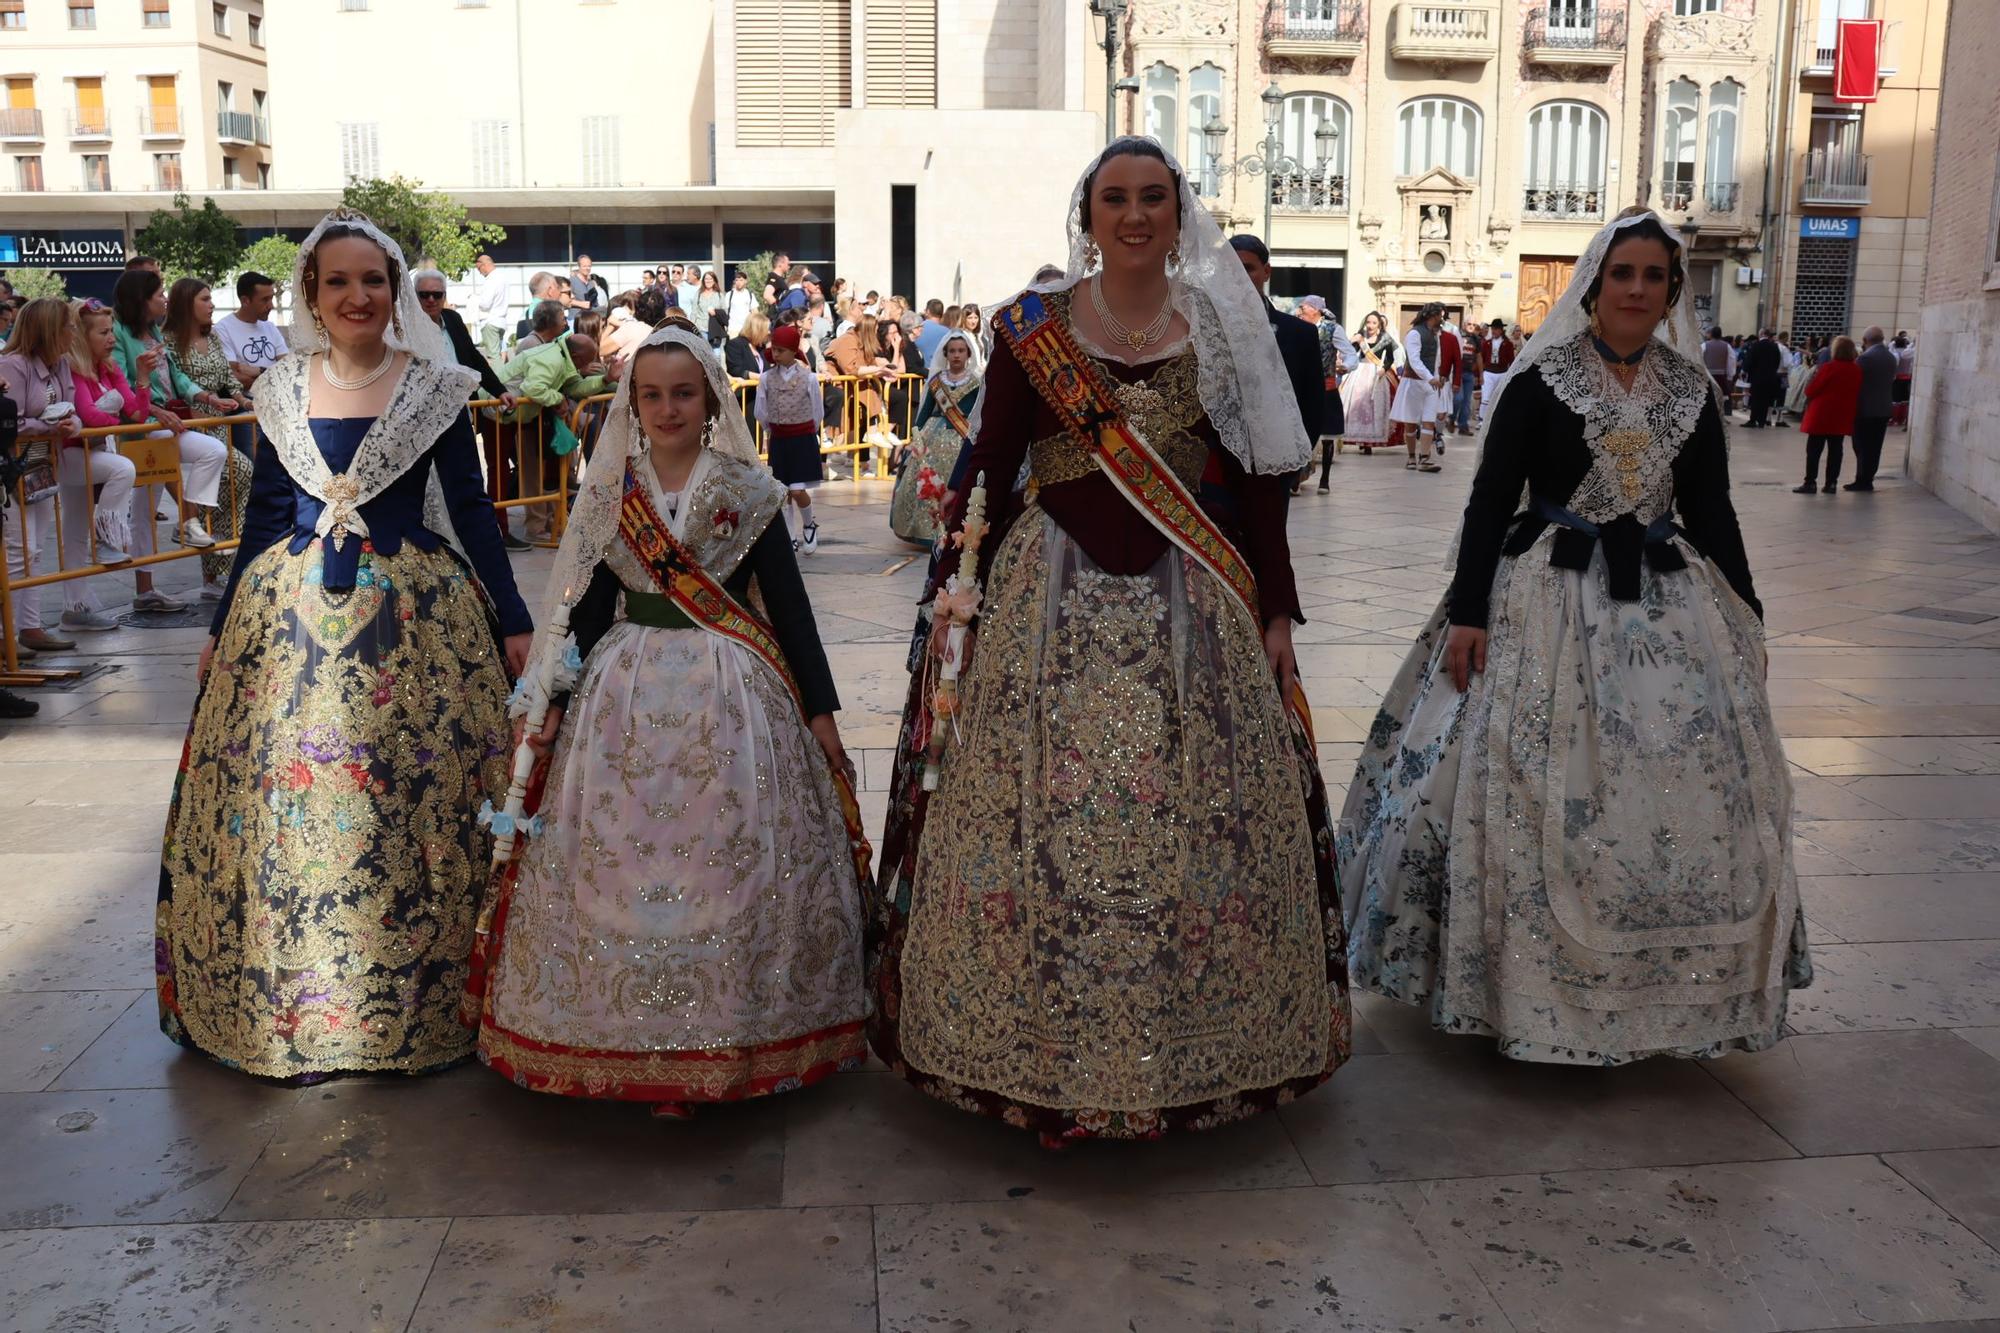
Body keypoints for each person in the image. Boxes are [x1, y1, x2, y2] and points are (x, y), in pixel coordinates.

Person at [868, 137, 1350, 1144]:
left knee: (1190, 814)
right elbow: (991, 465)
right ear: (1086, 214)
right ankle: (1033, 1038)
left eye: (1153, 198)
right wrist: (949, 597)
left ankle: (1187, 1043)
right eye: (1115, 199)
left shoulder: (1218, 323)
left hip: (1193, 596)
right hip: (1046, 592)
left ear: (1179, 211)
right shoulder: (1029, 326)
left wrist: (1274, 609)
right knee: (1040, 810)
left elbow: (1257, 477)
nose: (1134, 215)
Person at [1340, 208, 1807, 1065]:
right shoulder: (1540, 380)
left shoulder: (1691, 390)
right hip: (1544, 598)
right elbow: (1490, 503)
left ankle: (1661, 983)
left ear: (1671, 291)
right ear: (1595, 283)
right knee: (1521, 778)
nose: (1636, 289)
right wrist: (1471, 610)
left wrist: (1747, 615)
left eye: (1654, 277)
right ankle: (1522, 986)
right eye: (1622, 274)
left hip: (1667, 605)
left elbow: (1712, 511)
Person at [157, 208, 534, 1083]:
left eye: (374, 280)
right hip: (283, 625)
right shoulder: (280, 390)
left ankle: (419, 995)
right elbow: (261, 523)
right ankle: (297, 997)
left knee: (411, 806)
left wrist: (513, 619)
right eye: (339, 282)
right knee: (292, 812)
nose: (357, 295)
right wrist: (220, 633)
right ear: (312, 295)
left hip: (415, 627)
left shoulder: (436, 389)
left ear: (394, 291)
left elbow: (471, 510)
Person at [470, 324, 866, 1117]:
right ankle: (624, 1034)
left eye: (684, 392)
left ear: (712, 396)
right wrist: (547, 700)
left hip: (733, 693)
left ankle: (728, 1028)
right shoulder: (610, 488)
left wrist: (819, 710)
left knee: (726, 853)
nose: (667, 407)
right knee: (621, 855)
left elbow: (789, 608)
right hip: (624, 687)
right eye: (650, 394)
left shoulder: (749, 491)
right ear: (630, 401)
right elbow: (579, 611)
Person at [1, 299, 110, 657]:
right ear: (49, 329)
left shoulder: (60, 364)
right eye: (68, 326)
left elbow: (73, 410)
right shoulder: (13, 365)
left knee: (35, 550)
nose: (73, 333)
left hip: (44, 469)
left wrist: (69, 424)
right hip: (13, 471)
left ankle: (29, 627)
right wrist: (47, 427)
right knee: (20, 551)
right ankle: (8, 634)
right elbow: (10, 423)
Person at [110, 268, 231, 555]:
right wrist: (154, 409)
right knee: (143, 511)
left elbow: (173, 373)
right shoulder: (118, 332)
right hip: (141, 427)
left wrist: (207, 397)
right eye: (159, 294)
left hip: (164, 423)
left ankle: (187, 522)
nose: (165, 299)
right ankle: (187, 523)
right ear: (142, 299)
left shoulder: (151, 329)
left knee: (213, 451)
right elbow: (120, 386)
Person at [160, 278, 253, 601]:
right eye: (205, 299)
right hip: (188, 426)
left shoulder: (211, 338)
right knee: (239, 472)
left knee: (229, 492)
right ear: (188, 303)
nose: (211, 304)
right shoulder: (169, 341)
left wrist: (243, 401)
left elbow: (228, 380)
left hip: (218, 425)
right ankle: (211, 561)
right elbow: (174, 384)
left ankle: (219, 571)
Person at [1228, 234, 1325, 495]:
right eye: (1231, 268)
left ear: (1266, 271)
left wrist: (1298, 460)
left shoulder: (1300, 333)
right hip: (1219, 466)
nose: (1239, 276)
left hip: (1275, 466)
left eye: (1247, 268)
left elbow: (1312, 401)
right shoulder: (1205, 328)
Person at [889, 328, 981, 546]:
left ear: (968, 353)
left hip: (963, 439)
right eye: (952, 351)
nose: (956, 355)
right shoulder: (936, 382)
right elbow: (924, 413)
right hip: (933, 437)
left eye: (960, 350)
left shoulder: (978, 383)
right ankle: (927, 531)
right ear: (946, 354)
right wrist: (915, 438)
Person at [747, 321, 825, 553]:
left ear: (793, 351)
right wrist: (772, 428)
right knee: (783, 493)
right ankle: (790, 534)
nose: (776, 354)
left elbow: (817, 411)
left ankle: (809, 524)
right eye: (775, 350)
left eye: (781, 350)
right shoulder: (766, 379)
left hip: (802, 439)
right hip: (780, 439)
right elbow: (760, 411)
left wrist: (808, 430)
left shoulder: (809, 378)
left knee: (797, 490)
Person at [414, 269, 510, 402]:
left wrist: (500, 391)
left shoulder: (453, 318)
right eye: (424, 294)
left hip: (466, 403)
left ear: (444, 296)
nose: (431, 299)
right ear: (415, 296)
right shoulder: (408, 328)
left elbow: (474, 358)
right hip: (431, 409)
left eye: (437, 294)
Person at [1294, 295, 1351, 493]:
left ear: (1315, 309)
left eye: (1304, 307)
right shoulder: (1297, 327)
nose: (1300, 310)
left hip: (1326, 387)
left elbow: (1350, 353)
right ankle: (1297, 478)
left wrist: (1346, 366)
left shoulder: (1333, 329)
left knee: (1327, 435)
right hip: (1302, 386)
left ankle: (1325, 479)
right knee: (1300, 433)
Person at [1796, 334, 1861, 494]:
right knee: (1836, 450)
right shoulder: (1857, 370)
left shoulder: (1828, 368)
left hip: (1822, 414)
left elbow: (1811, 390)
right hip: (1842, 414)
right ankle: (1831, 483)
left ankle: (1810, 482)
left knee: (1814, 450)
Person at [1391, 304, 1444, 472]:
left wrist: (1437, 377)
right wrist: (1430, 378)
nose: (1442, 319)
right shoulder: (1414, 334)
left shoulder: (1435, 335)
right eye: (1440, 316)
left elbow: (1436, 360)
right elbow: (1414, 361)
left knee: (1429, 420)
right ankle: (1411, 456)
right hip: (1413, 383)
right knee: (1411, 423)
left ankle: (1424, 458)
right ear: (1433, 316)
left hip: (1430, 384)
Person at [216, 270, 286, 392]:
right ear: (245, 301)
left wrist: (259, 370)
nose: (271, 306)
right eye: (265, 300)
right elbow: (233, 377)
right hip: (247, 404)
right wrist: (275, 377)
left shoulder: (270, 327)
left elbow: (288, 368)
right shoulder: (223, 329)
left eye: (271, 298)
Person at [1340, 311, 1398, 452]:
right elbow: (1348, 353)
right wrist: (1352, 341)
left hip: (1376, 374)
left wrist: (1384, 369)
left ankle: (1370, 442)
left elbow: (1390, 359)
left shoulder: (1385, 338)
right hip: (1359, 373)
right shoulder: (1360, 336)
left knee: (1374, 408)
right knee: (1358, 406)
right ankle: (1360, 439)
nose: (1370, 325)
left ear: (1379, 325)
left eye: (1374, 323)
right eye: (1368, 322)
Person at [1850, 326, 1897, 491]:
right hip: (1883, 408)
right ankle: (1867, 478)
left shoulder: (1865, 359)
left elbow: (1855, 382)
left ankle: (1862, 479)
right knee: (1875, 446)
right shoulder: (1891, 357)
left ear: (1865, 341)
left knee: (1861, 445)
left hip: (1865, 409)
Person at [469, 254, 511, 361]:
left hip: (490, 322)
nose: (479, 272)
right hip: (501, 321)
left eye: (479, 268)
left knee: (493, 357)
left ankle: (497, 378)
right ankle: (502, 376)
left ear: (484, 265)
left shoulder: (491, 280)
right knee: (500, 354)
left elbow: (485, 304)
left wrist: (475, 298)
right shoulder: (503, 277)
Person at [1741, 327, 1782, 429]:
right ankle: (1762, 421)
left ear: (1762, 334)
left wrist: (1744, 371)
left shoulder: (1755, 346)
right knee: (1765, 400)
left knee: (1755, 399)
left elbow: (1749, 361)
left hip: (1757, 377)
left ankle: (1753, 420)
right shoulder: (1774, 346)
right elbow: (1777, 362)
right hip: (1770, 378)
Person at [1478, 317, 1516, 423]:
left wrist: (1511, 374)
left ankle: (1496, 419)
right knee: (1486, 397)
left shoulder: (1507, 344)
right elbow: (1481, 358)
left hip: (1502, 372)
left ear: (1501, 330)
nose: (1493, 331)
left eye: (1496, 329)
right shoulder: (1486, 343)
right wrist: (1480, 374)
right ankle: (1482, 420)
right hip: (1489, 372)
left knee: (1498, 397)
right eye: (1492, 329)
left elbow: (1511, 360)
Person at [513, 271, 564, 346]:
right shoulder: (551, 314)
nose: (560, 292)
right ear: (550, 291)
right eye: (557, 287)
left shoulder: (523, 317)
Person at [568, 255, 604, 324]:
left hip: (589, 321)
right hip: (575, 320)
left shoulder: (591, 283)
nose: (587, 268)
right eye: (584, 266)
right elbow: (564, 301)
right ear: (579, 266)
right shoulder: (571, 281)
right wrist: (580, 304)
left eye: (589, 266)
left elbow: (595, 302)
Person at [694, 269, 726, 346]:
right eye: (706, 279)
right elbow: (694, 311)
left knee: (716, 354)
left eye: (710, 279)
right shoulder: (698, 294)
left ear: (714, 281)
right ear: (703, 281)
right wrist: (693, 325)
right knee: (704, 353)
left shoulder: (719, 295)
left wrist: (716, 312)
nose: (708, 281)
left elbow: (724, 311)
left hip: (715, 328)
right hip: (701, 328)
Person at [1702, 326, 1733, 403]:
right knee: (1719, 400)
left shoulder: (1704, 345)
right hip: (1721, 377)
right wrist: (1730, 376)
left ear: (1711, 334)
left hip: (1708, 376)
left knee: (1708, 398)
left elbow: (1699, 360)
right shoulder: (1727, 346)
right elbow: (1731, 362)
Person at [1891, 331, 1915, 427]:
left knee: (1896, 400)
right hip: (1907, 377)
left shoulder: (1895, 353)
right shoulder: (1908, 353)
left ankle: (1895, 419)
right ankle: (1902, 419)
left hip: (1897, 378)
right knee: (1905, 400)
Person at [725, 271, 754, 339]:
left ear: (745, 281)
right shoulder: (729, 295)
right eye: (737, 280)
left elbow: (755, 311)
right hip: (733, 329)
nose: (739, 282)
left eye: (741, 280)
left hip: (746, 329)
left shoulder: (750, 295)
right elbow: (725, 311)